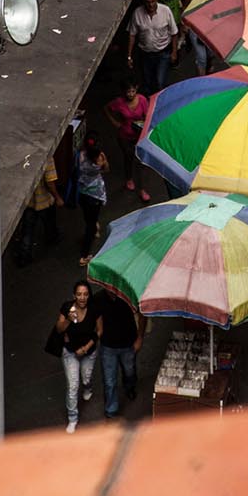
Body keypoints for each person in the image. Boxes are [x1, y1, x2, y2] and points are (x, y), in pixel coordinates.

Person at [53, 281, 99, 434]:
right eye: (79, 294)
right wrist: (67, 319)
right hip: (70, 352)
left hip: (88, 351)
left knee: (86, 377)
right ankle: (73, 418)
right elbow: (59, 329)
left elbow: (99, 331)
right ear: (74, 296)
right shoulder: (67, 308)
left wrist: (85, 348)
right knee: (73, 386)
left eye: (85, 294)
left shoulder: (94, 309)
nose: (82, 297)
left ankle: (88, 387)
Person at [96, 290, 143, 419]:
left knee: (129, 371)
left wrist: (139, 338)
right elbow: (96, 319)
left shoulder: (129, 295)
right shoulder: (99, 298)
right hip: (108, 346)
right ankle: (111, 409)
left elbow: (142, 314)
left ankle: (129, 387)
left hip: (128, 343)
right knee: (109, 380)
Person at [126, 0, 178, 96]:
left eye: (153, 1)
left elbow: (174, 33)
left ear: (157, 0)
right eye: (148, 2)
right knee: (147, 82)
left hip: (163, 52)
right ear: (143, 2)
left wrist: (174, 52)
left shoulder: (166, 11)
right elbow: (132, 34)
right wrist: (129, 55)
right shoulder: (137, 13)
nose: (150, 4)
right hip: (145, 54)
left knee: (160, 82)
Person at [105, 79, 150, 200]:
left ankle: (142, 189)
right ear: (123, 92)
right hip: (124, 135)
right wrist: (115, 122)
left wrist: (144, 126)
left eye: (133, 91)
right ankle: (129, 178)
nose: (130, 94)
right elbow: (107, 109)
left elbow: (147, 116)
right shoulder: (119, 102)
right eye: (128, 91)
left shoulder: (142, 100)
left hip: (139, 135)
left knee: (140, 163)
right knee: (128, 157)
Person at [15, 157, 63, 265]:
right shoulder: (47, 157)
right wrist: (58, 197)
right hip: (44, 200)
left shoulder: (25, 156)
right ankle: (52, 238)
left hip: (29, 201)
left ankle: (24, 256)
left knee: (27, 230)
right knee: (49, 223)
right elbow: (50, 181)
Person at [74, 132, 108, 266]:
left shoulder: (80, 156)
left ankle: (94, 227)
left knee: (88, 218)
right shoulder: (98, 162)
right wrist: (103, 158)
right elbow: (106, 168)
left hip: (82, 193)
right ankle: (84, 255)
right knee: (90, 226)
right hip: (94, 196)